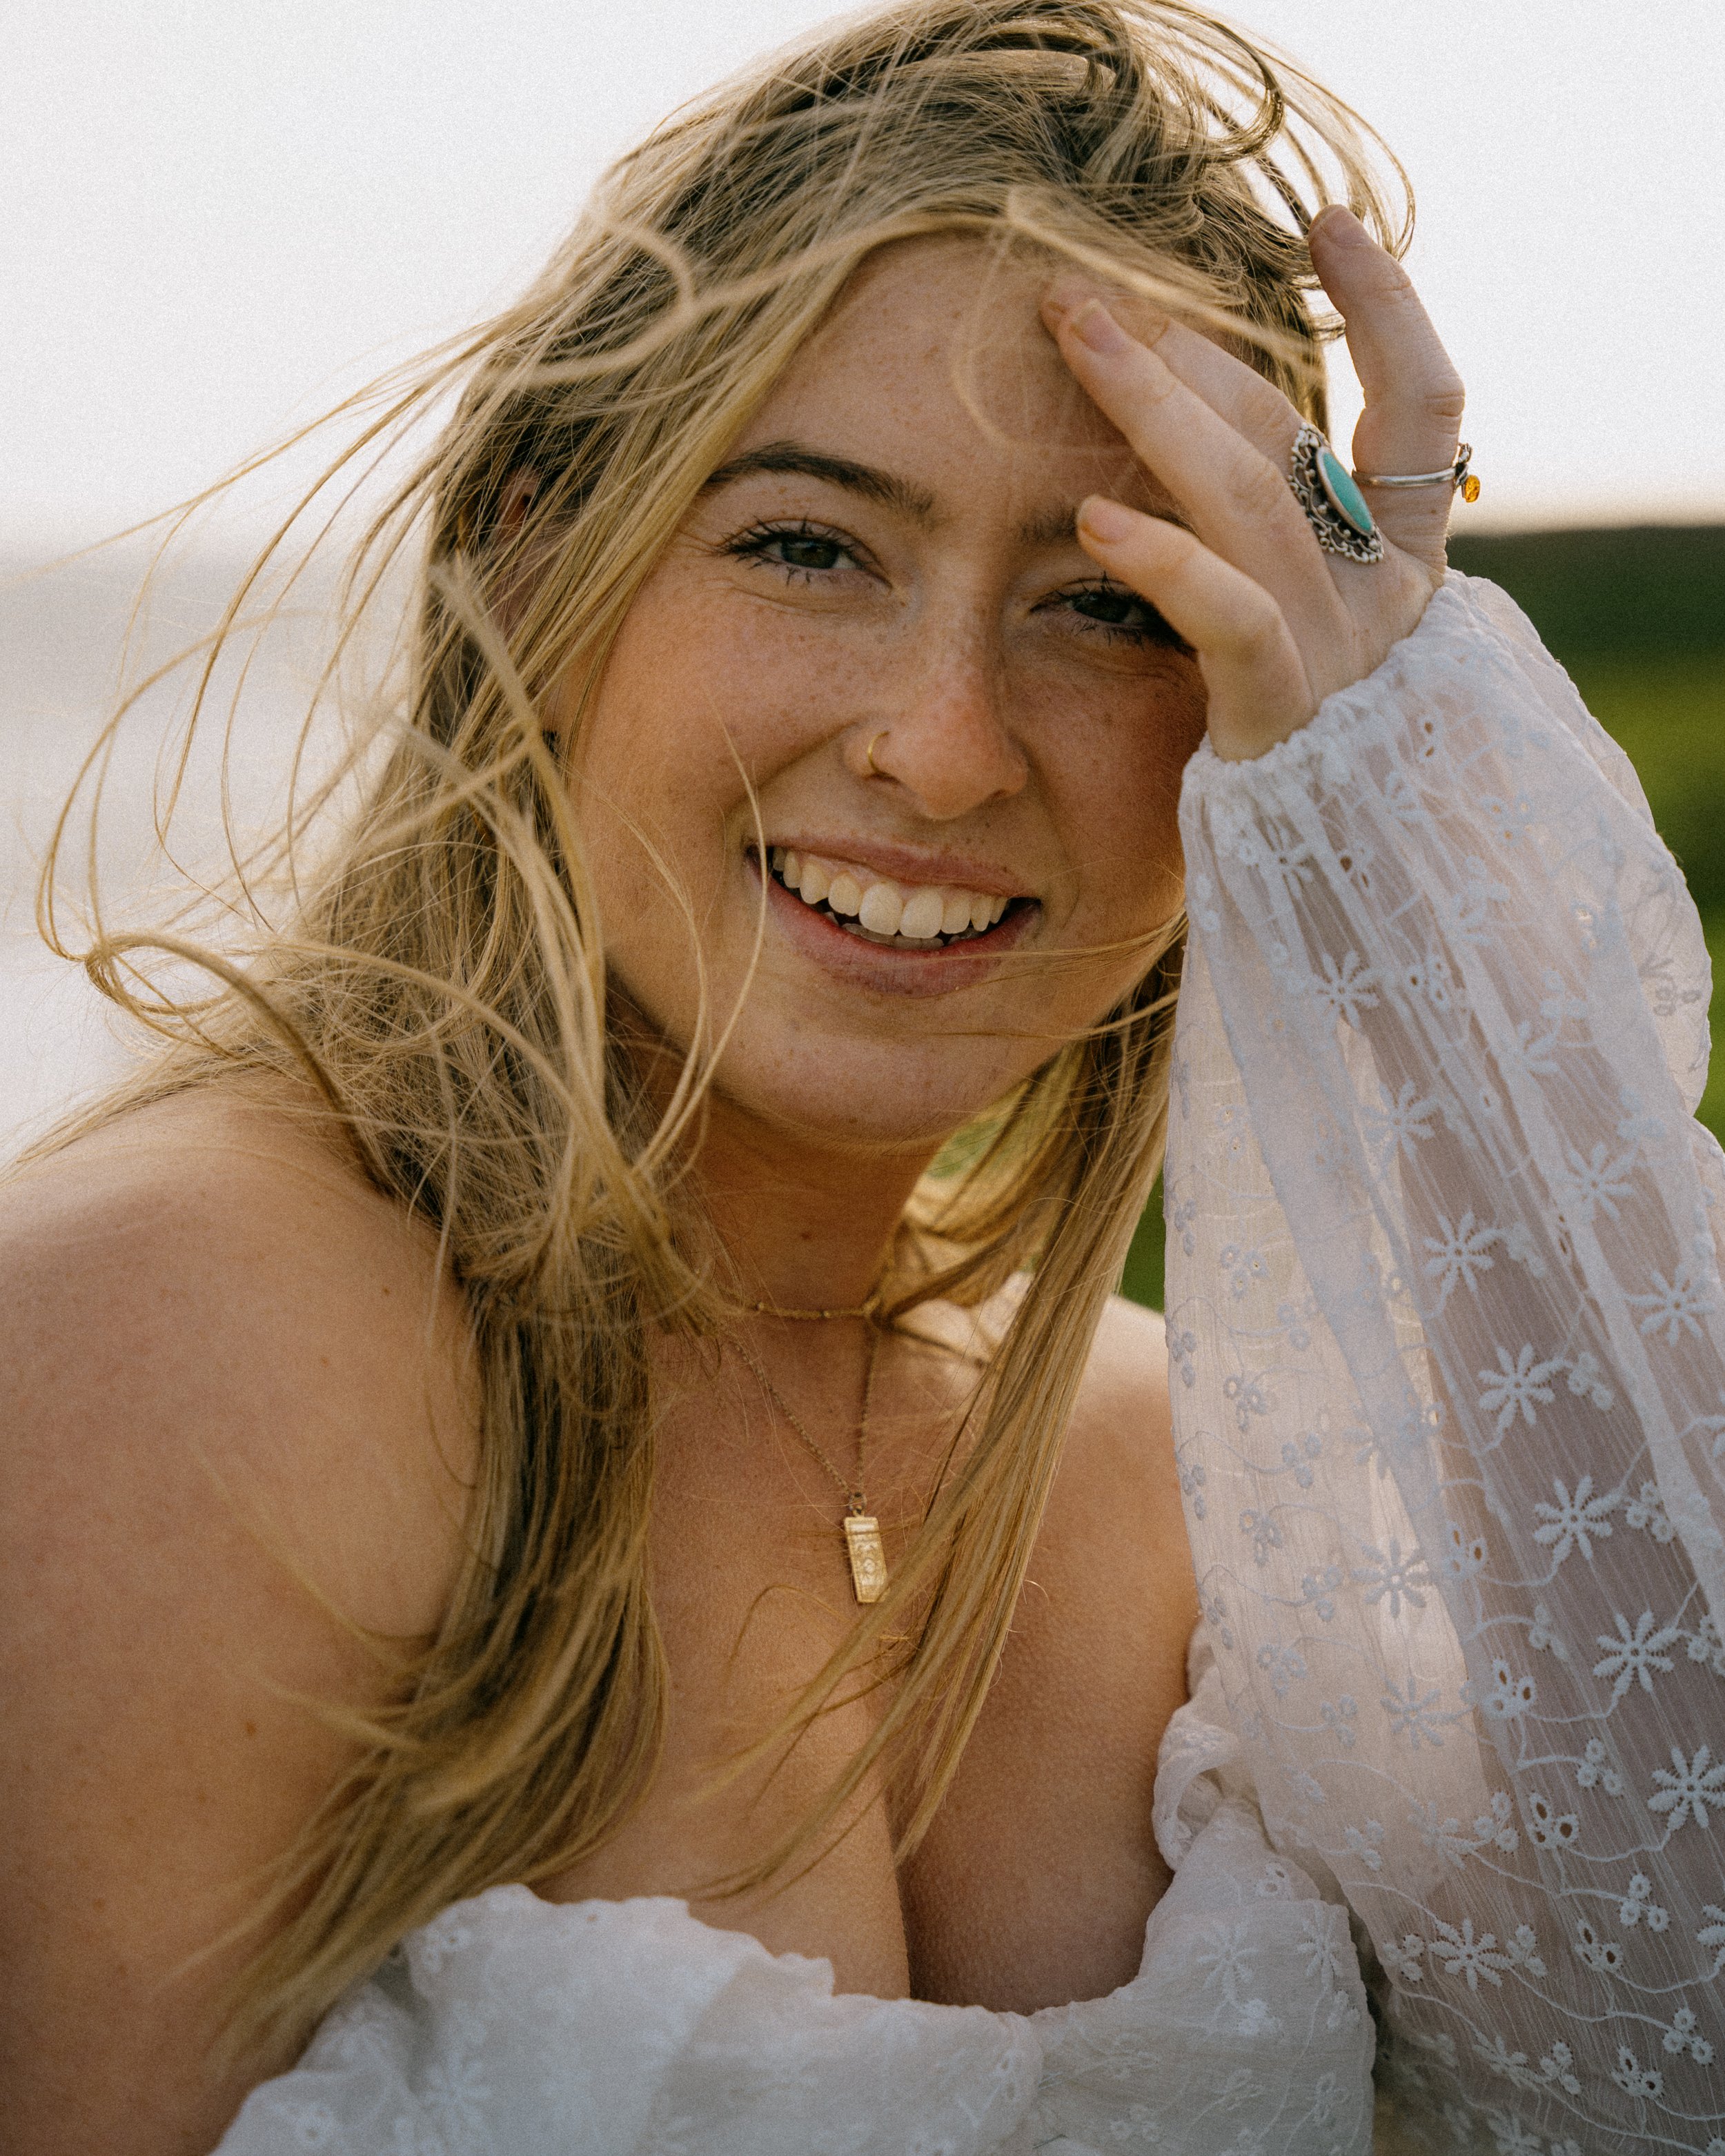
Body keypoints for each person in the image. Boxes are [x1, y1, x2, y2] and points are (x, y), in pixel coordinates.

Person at [3, 3, 1721, 2149]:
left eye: (1109, 605)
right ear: (541, 555)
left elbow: (1676, 2024)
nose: (942, 746)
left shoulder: (1180, 1467)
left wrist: (1409, 822)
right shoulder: (143, 1352)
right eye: (810, 546)